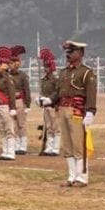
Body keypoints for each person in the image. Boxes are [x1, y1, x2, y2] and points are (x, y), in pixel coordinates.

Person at [44, 40, 97, 187]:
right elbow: (59, 92)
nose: (68, 55)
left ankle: (82, 177)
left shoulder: (86, 72)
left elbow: (91, 94)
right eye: (67, 52)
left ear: (80, 54)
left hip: (77, 111)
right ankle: (72, 176)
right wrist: (49, 99)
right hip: (62, 109)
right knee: (67, 145)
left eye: (71, 52)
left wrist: (90, 112)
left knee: (78, 144)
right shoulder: (64, 72)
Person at [0, 47, 18, 160]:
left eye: (0, 65)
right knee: (1, 129)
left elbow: (12, 94)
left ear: (5, 66)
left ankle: (11, 151)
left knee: (9, 129)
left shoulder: (8, 78)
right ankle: (5, 150)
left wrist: (12, 108)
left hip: (5, 105)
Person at [38, 49, 61, 156]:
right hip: (46, 106)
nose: (45, 69)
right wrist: (40, 99)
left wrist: (51, 100)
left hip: (54, 105)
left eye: (47, 67)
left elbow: (58, 91)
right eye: (44, 67)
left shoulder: (55, 78)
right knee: (48, 127)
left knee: (56, 127)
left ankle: (56, 148)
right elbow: (43, 91)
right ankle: (49, 146)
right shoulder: (44, 79)